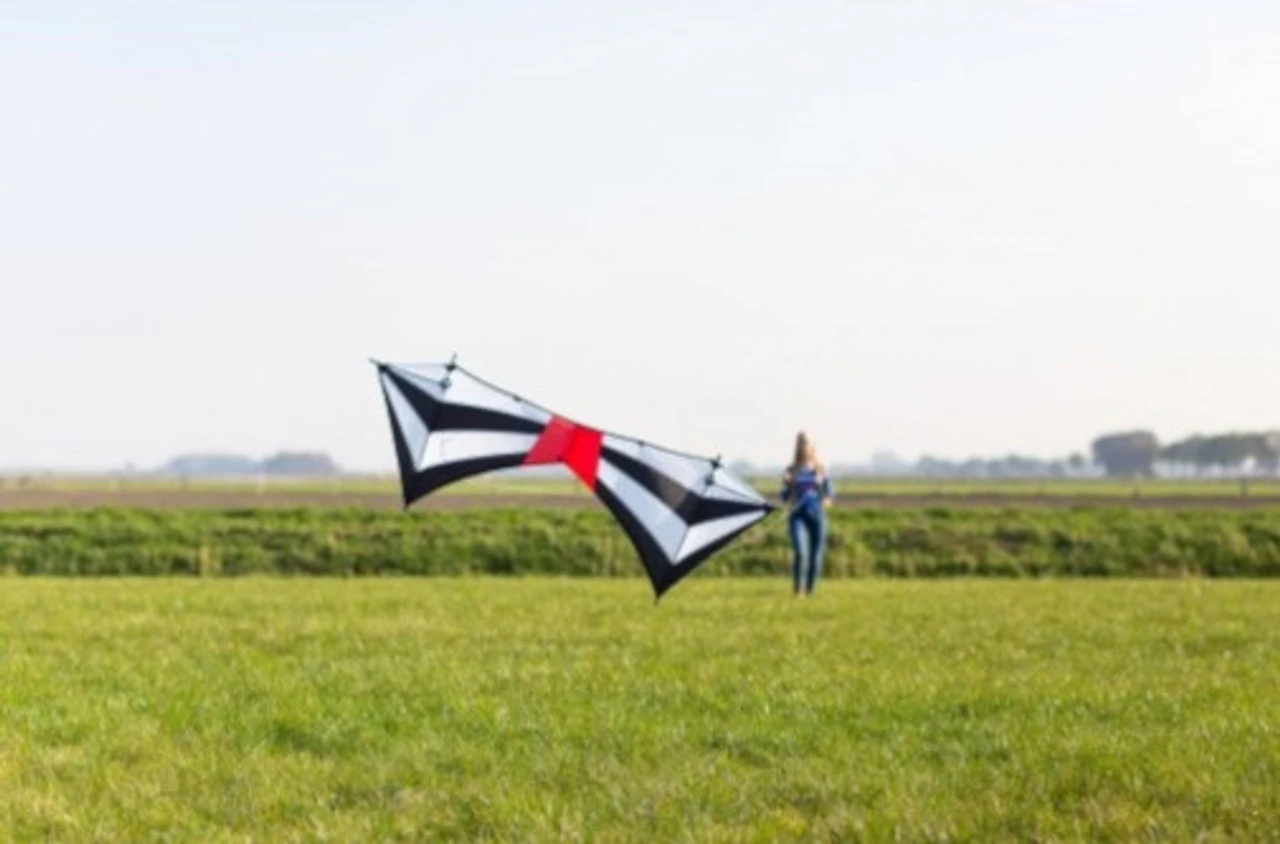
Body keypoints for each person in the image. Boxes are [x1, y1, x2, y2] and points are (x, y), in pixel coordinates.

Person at [780, 432, 834, 596]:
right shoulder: (791, 470)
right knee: (800, 551)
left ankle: (810, 591)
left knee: (816, 554)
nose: (804, 447)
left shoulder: (820, 469)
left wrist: (825, 499)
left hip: (817, 515)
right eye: (801, 444)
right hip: (797, 515)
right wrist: (787, 485)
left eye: (806, 444)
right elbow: (784, 496)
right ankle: (798, 591)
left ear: (812, 447)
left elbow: (829, 494)